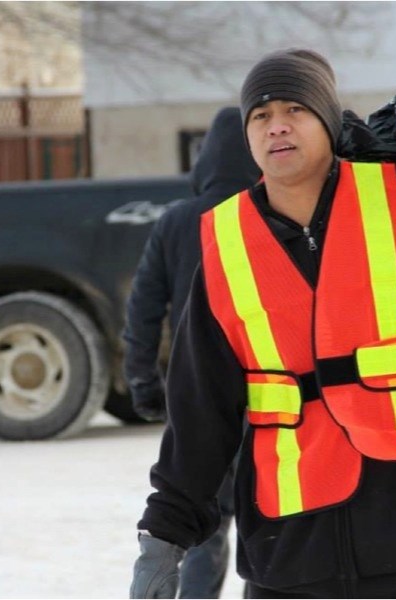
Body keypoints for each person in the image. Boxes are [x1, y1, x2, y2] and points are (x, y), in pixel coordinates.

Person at [130, 48, 396, 599]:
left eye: (294, 109)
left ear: (328, 121)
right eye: (259, 115)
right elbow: (198, 412)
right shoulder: (227, 246)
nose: (276, 125)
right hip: (284, 558)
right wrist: (162, 538)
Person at [123, 106, 261, 598]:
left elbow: (142, 309)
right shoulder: (267, 213)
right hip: (270, 391)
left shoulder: (177, 221)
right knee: (269, 517)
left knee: (200, 513)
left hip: (196, 392)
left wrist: (143, 380)